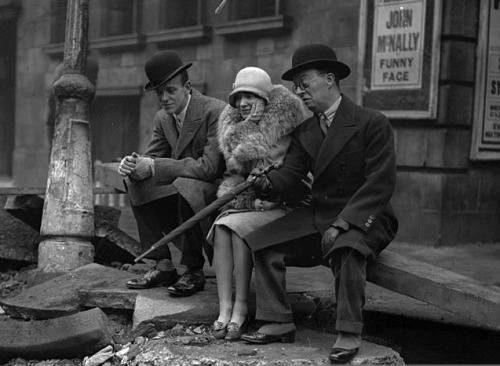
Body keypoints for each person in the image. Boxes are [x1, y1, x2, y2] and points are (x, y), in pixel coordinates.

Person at [240, 44, 399, 364]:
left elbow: (379, 183)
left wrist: (345, 222)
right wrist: (266, 183)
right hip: (320, 214)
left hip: (366, 214)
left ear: (329, 79)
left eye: (304, 82)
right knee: (263, 242)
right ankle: (278, 319)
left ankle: (349, 331)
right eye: (296, 85)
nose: (299, 91)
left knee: (346, 248)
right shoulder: (306, 130)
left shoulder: (372, 122)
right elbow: (290, 174)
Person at [207, 67, 308, 341]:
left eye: (249, 97)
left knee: (237, 229)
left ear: (264, 98)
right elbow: (234, 164)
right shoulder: (236, 124)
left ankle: (241, 308)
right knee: (223, 227)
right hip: (251, 200)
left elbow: (271, 166)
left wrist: (247, 130)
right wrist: (245, 127)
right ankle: (225, 308)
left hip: (284, 203)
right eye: (238, 98)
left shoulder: (284, 124)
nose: (242, 104)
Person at [119, 50, 226, 297]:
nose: (164, 98)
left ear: (187, 87)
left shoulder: (215, 111)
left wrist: (154, 166)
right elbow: (151, 158)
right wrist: (134, 165)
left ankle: (193, 269)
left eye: (170, 91)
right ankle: (163, 265)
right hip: (184, 185)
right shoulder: (163, 118)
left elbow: (209, 168)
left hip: (216, 189)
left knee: (185, 185)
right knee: (136, 183)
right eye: (159, 93)